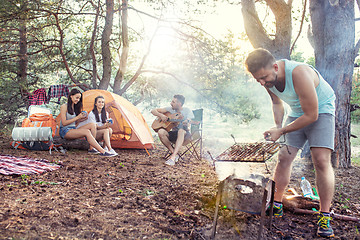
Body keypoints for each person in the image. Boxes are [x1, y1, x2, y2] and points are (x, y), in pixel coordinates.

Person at [245, 48, 336, 238]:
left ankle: (325, 215)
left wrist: (283, 130)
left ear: (275, 66)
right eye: (257, 80)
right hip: (297, 111)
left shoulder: (299, 73)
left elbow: (312, 115)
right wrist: (278, 126)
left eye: (264, 77)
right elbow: (277, 103)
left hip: (322, 109)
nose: (262, 83)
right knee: (284, 156)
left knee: (320, 160)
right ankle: (277, 204)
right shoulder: (267, 78)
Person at [59, 88, 116, 157]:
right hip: (65, 131)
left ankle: (92, 148)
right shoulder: (64, 106)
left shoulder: (75, 107)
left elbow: (75, 123)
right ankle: (103, 151)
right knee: (87, 132)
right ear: (71, 96)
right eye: (77, 97)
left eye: (79, 98)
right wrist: (78, 117)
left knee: (93, 125)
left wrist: (81, 119)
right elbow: (64, 123)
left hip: (73, 129)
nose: (78, 100)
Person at [151, 95, 194, 166]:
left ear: (179, 104)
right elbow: (153, 111)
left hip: (185, 135)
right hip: (174, 134)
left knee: (181, 130)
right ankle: (174, 153)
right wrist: (161, 115)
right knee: (161, 132)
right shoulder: (170, 109)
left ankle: (172, 158)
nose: (171, 103)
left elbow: (189, 121)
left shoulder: (187, 110)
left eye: (173, 102)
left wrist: (186, 123)